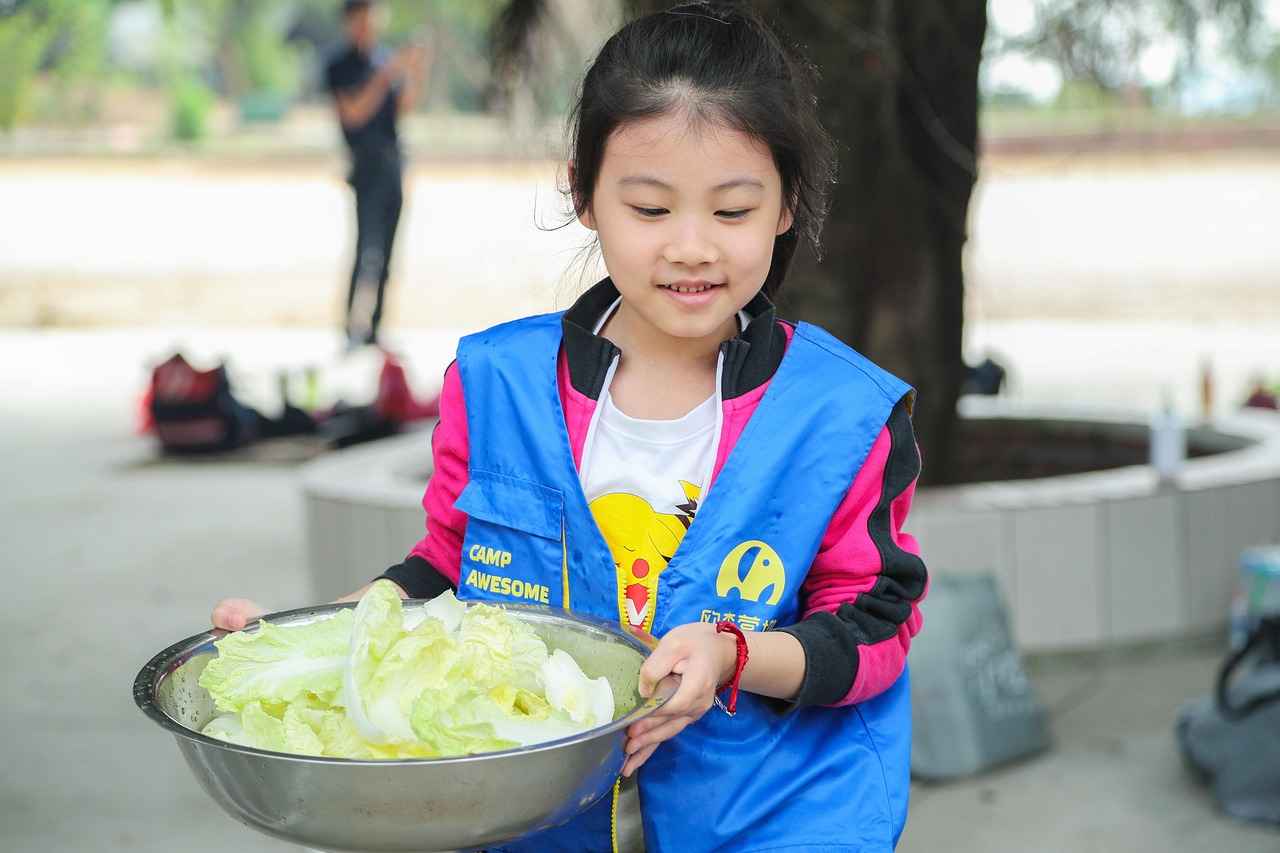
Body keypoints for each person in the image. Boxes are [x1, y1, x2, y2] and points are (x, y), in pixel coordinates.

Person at [214, 4, 927, 850]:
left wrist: (734, 656)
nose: (692, 247)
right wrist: (312, 647)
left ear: (786, 205)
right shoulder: (496, 385)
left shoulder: (844, 415)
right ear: (584, 195)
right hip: (539, 822)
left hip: (772, 818)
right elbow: (445, 568)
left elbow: (873, 626)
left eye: (732, 211)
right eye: (651, 210)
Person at [324, 0, 430, 347]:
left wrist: (414, 71)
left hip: (393, 163)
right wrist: (386, 76)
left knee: (387, 251)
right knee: (364, 249)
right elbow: (354, 113)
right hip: (365, 166)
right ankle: (349, 326)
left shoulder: (385, 60)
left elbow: (403, 108)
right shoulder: (341, 65)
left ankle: (375, 327)